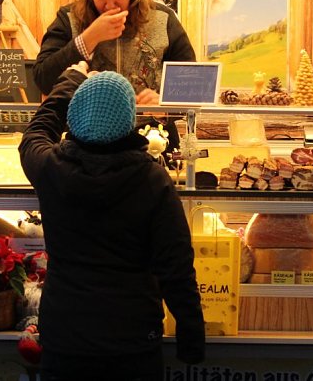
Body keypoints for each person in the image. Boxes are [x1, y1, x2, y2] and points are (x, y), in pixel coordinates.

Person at [19, 64, 205, 380]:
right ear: (129, 123)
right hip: (132, 337)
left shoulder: (50, 167)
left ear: (74, 118)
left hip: (65, 333)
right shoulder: (152, 179)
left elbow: (36, 131)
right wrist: (191, 339)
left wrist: (71, 79)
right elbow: (176, 267)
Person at [32, 0, 196, 105]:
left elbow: (190, 84)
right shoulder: (69, 18)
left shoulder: (162, 18)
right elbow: (43, 80)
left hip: (148, 121)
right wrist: (88, 39)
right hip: (84, 121)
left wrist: (164, 104)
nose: (110, 5)